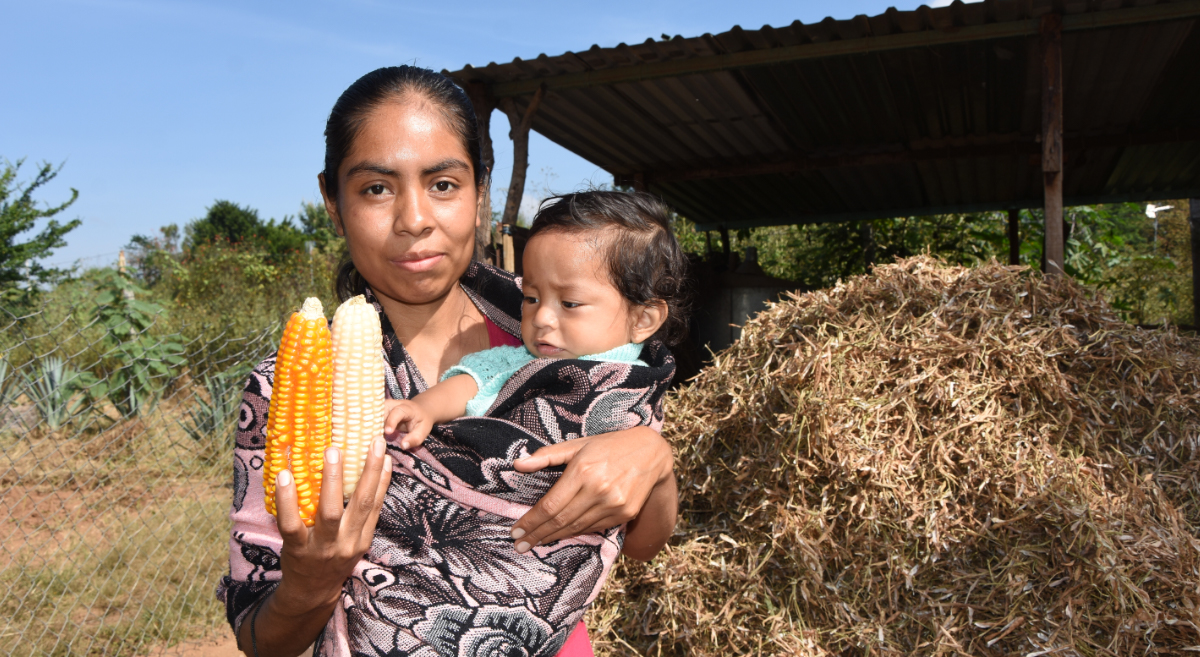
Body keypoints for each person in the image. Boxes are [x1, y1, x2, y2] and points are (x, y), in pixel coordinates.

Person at [217, 66, 678, 657]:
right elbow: (262, 639)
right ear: (333, 202)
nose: (415, 219)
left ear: (480, 195)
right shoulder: (290, 388)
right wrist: (311, 582)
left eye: (443, 184)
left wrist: (654, 459)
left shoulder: (560, 320)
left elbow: (641, 541)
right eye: (376, 189)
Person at [374, 191, 687, 654]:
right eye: (532, 297)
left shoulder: (639, 390)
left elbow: (643, 540)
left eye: (571, 303)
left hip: (545, 588)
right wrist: (422, 408)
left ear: (643, 319)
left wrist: (658, 465)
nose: (542, 319)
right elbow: (470, 380)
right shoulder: (518, 361)